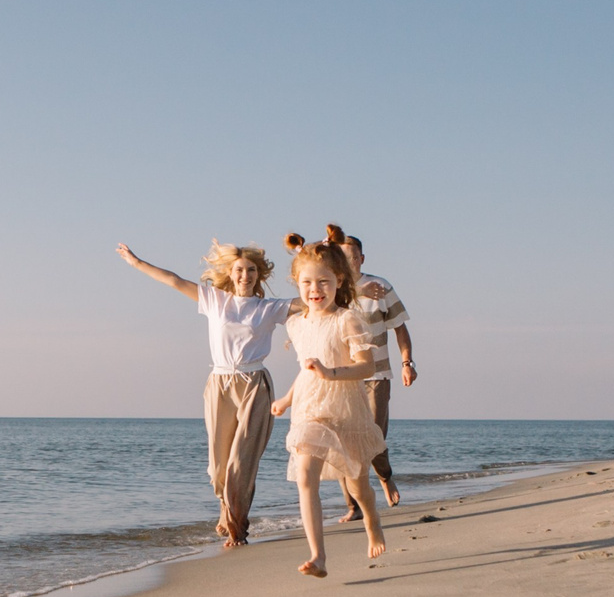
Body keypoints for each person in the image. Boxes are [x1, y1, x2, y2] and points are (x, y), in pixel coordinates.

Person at [116, 240, 290, 546]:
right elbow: (174, 281)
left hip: (254, 384)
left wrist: (349, 289)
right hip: (219, 384)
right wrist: (136, 263)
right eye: (239, 270)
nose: (245, 275)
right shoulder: (215, 300)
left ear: (259, 275)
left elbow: (314, 302)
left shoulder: (269, 308)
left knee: (242, 460)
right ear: (230, 272)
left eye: (251, 270)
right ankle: (226, 512)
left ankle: (237, 528)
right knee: (220, 463)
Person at [268, 232, 388, 578]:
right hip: (309, 409)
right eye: (306, 282)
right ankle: (318, 555)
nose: (314, 289)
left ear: (339, 282)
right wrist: (287, 400)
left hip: (346, 407)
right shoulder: (296, 323)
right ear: (297, 283)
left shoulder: (347, 319)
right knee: (306, 475)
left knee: (357, 483)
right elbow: (306, 370)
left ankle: (372, 519)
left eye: (323, 281)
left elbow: (367, 366)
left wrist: (331, 372)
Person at [326, 224, 414, 517]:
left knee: (373, 437)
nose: (349, 262)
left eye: (353, 257)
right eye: (343, 257)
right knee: (343, 442)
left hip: (377, 374)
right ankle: (354, 506)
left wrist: (406, 363)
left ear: (362, 259)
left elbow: (400, 327)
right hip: (341, 376)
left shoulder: (381, 287)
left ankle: (385, 476)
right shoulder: (329, 290)